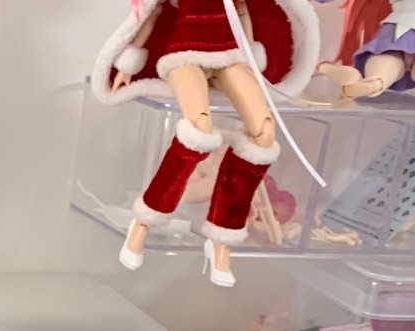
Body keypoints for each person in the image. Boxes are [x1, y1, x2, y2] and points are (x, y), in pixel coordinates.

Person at [94, 0, 322, 286]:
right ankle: (143, 222)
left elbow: (243, 13)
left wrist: (252, 58)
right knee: (198, 128)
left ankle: (221, 239)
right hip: (186, 53)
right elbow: (152, 13)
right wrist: (129, 64)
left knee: (264, 135)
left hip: (231, 55)